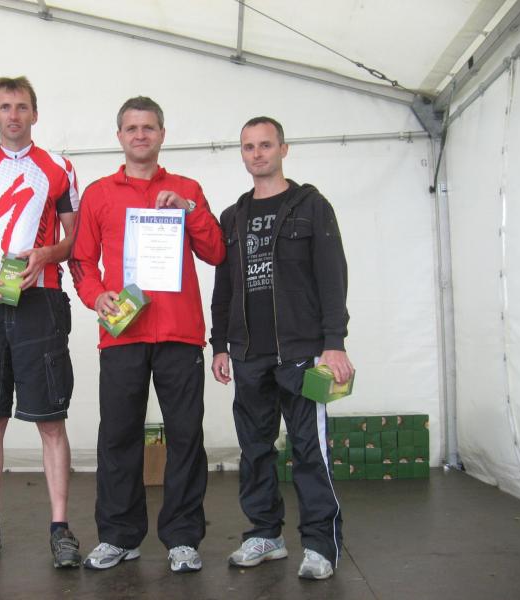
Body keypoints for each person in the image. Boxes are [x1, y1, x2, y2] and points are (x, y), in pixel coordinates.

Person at [69, 96, 225, 573]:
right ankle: (119, 536)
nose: (141, 135)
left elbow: (216, 252)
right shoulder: (98, 194)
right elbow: (81, 261)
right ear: (119, 136)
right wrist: (96, 296)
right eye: (132, 128)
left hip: (180, 332)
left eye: (149, 127)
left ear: (162, 134)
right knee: (118, 437)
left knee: (185, 437)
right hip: (123, 332)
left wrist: (189, 210)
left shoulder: (187, 189)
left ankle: (183, 538)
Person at [210, 116, 353, 580]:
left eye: (265, 145)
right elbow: (224, 288)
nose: (257, 154)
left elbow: (332, 276)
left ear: (283, 149)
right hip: (248, 353)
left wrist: (334, 343)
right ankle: (265, 535)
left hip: (301, 352)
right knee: (254, 450)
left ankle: (320, 544)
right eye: (248, 146)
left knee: (309, 450)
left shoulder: (311, 206)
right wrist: (219, 344)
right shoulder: (232, 217)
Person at [0, 76, 81, 568]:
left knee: (50, 419)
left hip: (41, 299)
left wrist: (45, 254)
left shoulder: (59, 168)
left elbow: (74, 239)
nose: (13, 115)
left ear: (34, 114)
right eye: (5, 107)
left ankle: (60, 528)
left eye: (22, 107)